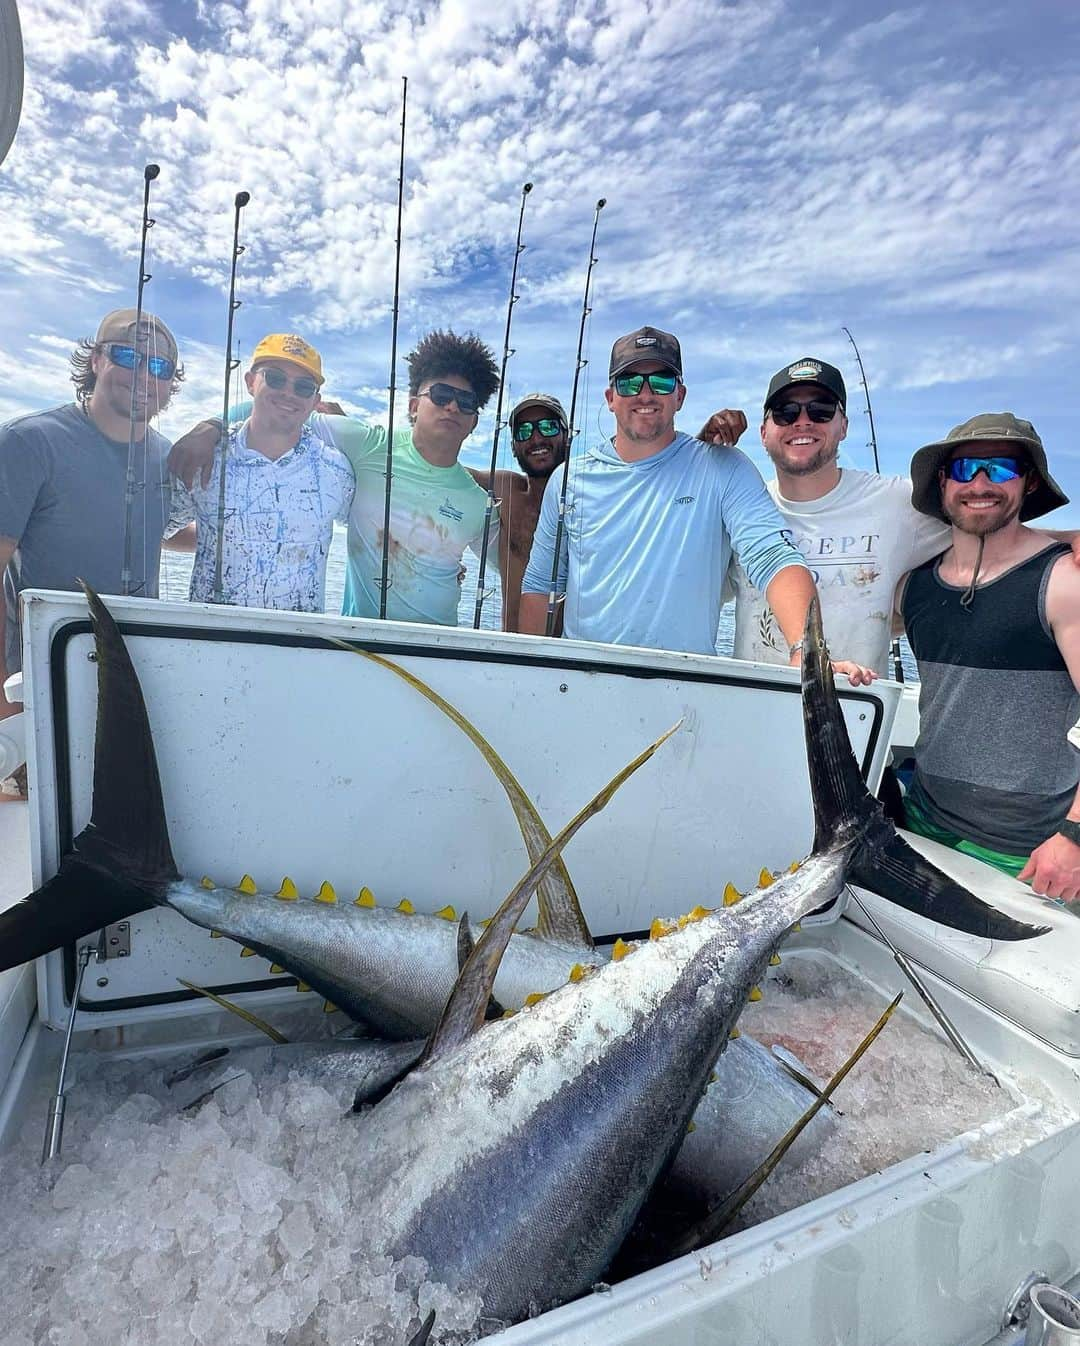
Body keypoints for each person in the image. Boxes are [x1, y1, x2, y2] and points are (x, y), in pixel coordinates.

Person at [519, 326, 826, 665]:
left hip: (686, 686)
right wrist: (528, 671)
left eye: (662, 382)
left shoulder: (725, 467)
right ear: (610, 398)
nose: (646, 394)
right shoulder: (567, 480)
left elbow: (772, 555)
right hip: (581, 680)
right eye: (630, 382)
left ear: (680, 395)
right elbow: (539, 585)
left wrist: (806, 651)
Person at [170, 329, 499, 627]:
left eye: (466, 402)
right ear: (414, 405)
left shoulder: (475, 501)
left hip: (431, 646)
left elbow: (512, 569)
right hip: (352, 643)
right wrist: (211, 425)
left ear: (474, 422)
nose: (453, 407)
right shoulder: (368, 444)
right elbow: (281, 410)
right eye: (441, 395)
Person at [895, 414, 1080, 902]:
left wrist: (1075, 838)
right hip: (921, 825)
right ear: (943, 481)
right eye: (965, 469)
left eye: (1000, 470)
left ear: (1029, 481)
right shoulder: (913, 588)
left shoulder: (1065, 582)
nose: (980, 483)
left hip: (1031, 853)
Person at [706, 358, 950, 676]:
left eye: (820, 410)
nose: (803, 422)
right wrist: (700, 458)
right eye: (786, 412)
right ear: (764, 433)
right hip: (753, 710)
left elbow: (983, 536)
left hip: (853, 710)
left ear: (844, 426)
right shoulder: (741, 510)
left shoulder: (899, 502)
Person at [0, 308, 187, 717]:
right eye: (126, 357)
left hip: (133, 676)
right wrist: (3, 694)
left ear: (172, 383)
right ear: (96, 360)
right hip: (38, 675)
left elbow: (162, 532)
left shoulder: (168, 457)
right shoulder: (27, 441)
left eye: (159, 366)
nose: (143, 376)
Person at [167, 333, 353, 612]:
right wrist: (215, 537)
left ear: (316, 401)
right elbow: (154, 532)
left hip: (300, 649)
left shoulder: (337, 471)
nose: (288, 393)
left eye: (303, 387)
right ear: (251, 382)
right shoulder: (204, 457)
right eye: (275, 378)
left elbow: (371, 541)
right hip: (207, 643)